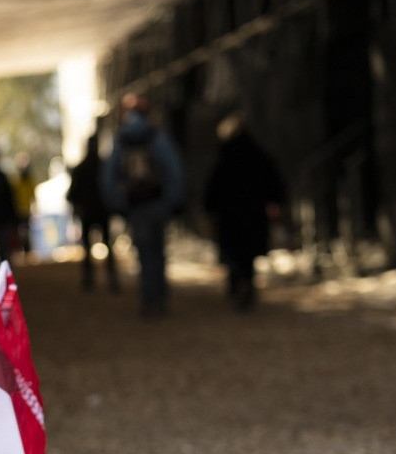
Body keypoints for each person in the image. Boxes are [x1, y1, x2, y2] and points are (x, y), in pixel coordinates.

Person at [102, 94, 185, 317]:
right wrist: (174, 200)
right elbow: (174, 169)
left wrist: (117, 204)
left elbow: (109, 177)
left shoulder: (121, 142)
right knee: (158, 251)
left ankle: (150, 299)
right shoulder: (157, 137)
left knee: (145, 253)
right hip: (159, 204)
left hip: (137, 207)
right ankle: (160, 297)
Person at [203, 114, 286, 310]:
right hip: (253, 211)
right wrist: (276, 201)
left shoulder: (225, 154)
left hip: (229, 212)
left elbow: (214, 185)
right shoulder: (258, 153)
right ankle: (246, 284)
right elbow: (274, 181)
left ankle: (236, 284)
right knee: (248, 253)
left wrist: (208, 207)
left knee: (232, 250)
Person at [68, 129, 119, 292]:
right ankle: (111, 281)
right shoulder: (104, 167)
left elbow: (72, 194)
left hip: (89, 212)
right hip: (101, 211)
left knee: (89, 249)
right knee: (106, 247)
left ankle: (89, 281)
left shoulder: (82, 168)